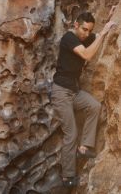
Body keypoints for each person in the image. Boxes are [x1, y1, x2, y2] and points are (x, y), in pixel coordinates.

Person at [51, 12, 115, 187]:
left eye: (89, 31)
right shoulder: (69, 38)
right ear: (76, 25)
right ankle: (67, 177)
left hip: (74, 91)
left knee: (94, 106)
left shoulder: (85, 37)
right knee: (71, 134)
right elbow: (87, 55)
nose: (86, 34)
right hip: (61, 92)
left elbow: (100, 36)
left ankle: (84, 148)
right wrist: (101, 34)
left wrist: (109, 19)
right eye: (84, 29)